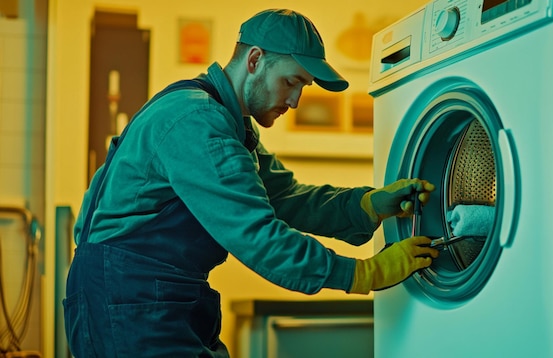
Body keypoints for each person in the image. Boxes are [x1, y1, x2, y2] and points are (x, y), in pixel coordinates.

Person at [63, 8, 440, 357]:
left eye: (303, 88)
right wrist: (365, 273)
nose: (294, 101)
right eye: (291, 82)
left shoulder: (228, 125)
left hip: (151, 300)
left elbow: (287, 199)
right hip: (129, 304)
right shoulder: (197, 121)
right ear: (255, 60)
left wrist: (368, 204)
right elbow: (258, 236)